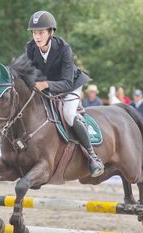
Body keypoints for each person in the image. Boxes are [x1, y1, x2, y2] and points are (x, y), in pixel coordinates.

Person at [26, 10, 104, 177]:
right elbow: (29, 72)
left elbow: (66, 82)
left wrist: (45, 84)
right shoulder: (31, 48)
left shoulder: (64, 49)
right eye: (34, 33)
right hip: (45, 86)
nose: (37, 37)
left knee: (68, 114)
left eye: (40, 32)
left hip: (70, 85)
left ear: (51, 32)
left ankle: (93, 157)